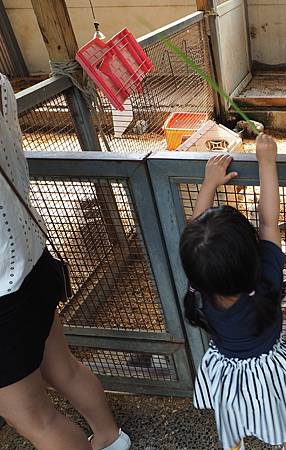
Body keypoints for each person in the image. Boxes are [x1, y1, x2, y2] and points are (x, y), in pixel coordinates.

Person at [179, 134, 286, 450]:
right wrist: (267, 161)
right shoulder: (266, 283)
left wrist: (208, 184)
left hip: (224, 368)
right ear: (249, 251)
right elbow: (270, 223)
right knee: (284, 425)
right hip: (268, 369)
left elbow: (194, 232)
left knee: (231, 415)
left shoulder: (200, 284)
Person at [0, 73, 130, 450]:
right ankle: (111, 438)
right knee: (64, 368)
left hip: (4, 292)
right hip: (30, 260)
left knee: (34, 418)